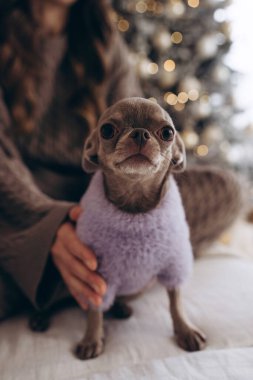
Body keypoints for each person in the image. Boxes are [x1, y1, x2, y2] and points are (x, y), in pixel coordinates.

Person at [0, 0, 241, 321]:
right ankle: (90, 277)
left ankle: (60, 277)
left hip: (108, 199)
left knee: (225, 190)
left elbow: (140, 137)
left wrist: (96, 218)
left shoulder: (103, 39)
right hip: (21, 206)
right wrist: (50, 227)